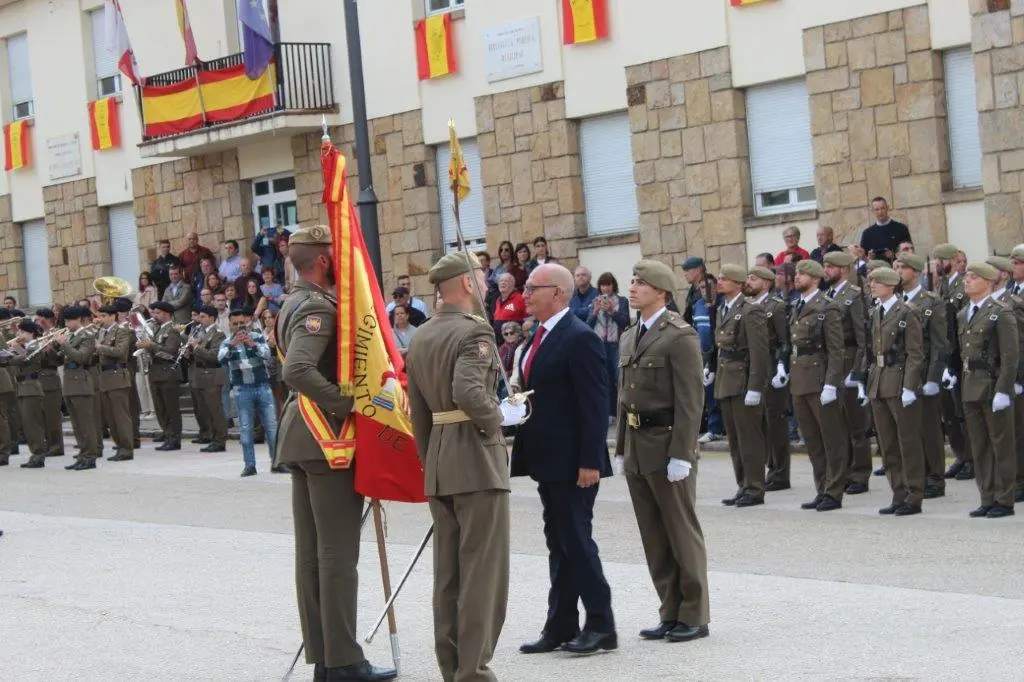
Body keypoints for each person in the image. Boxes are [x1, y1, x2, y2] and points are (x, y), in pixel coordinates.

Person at [272, 225, 397, 682]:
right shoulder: (317, 308)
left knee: (312, 553)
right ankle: (344, 660)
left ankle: (326, 660)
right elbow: (298, 369)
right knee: (337, 554)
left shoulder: (292, 300)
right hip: (327, 439)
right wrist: (349, 404)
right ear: (324, 260)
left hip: (302, 435)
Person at [405, 251, 513, 682]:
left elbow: (419, 416)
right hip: (476, 458)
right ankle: (474, 672)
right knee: (482, 573)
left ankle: (452, 669)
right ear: (467, 284)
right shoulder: (475, 331)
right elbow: (469, 391)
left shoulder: (423, 335)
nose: (486, 285)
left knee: (448, 576)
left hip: (440, 461)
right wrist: (501, 417)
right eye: (482, 278)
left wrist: (430, 461)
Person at [510, 263, 616, 656]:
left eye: (533, 288)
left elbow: (594, 404)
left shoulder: (579, 337)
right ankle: (561, 624)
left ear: (557, 293)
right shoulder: (539, 335)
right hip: (548, 459)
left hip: (575, 462)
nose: (526, 294)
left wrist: (590, 460)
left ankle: (602, 624)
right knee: (560, 542)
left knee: (576, 541)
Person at [614, 259, 710, 644]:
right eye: (633, 281)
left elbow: (691, 400)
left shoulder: (679, 336)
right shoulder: (629, 335)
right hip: (638, 446)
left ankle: (694, 614)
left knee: (681, 531)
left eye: (641, 282)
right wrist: (621, 447)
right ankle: (669, 609)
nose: (633, 287)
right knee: (653, 534)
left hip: (668, 444)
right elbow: (624, 399)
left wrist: (683, 454)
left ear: (661, 292)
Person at [954, 262, 1017, 518]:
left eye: (973, 277)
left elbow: (1010, 356)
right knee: (979, 446)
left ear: (989, 283)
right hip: (970, 385)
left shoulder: (1000, 312)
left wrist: (1004, 389)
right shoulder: (963, 313)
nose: (967, 281)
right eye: (966, 276)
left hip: (992, 386)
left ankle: (1004, 499)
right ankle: (987, 496)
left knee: (1001, 445)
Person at [866, 266, 926, 516]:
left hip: (899, 381)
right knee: (887, 443)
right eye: (870, 282)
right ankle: (898, 493)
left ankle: (914, 495)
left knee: (907, 441)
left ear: (890, 285)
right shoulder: (876, 311)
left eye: (876, 282)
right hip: (879, 382)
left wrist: (910, 386)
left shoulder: (906, 312)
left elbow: (915, 354)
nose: (872, 285)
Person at [789, 260, 848, 511]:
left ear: (815, 278)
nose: (796, 277)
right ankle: (821, 487)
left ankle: (834, 491)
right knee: (812, 439)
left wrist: (832, 384)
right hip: (800, 379)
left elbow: (837, 350)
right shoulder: (797, 305)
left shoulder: (827, 307)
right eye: (796, 273)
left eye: (802, 274)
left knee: (831, 438)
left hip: (820, 378)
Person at [709, 264, 769, 507]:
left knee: (749, 438)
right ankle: (743, 484)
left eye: (724, 279)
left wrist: (756, 386)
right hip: (727, 379)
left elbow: (759, 352)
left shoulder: (750, 310)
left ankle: (755, 488)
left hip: (743, 381)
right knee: (734, 439)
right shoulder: (724, 309)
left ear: (737, 283)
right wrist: (710, 368)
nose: (719, 282)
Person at [897, 253, 948, 499]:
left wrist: (933, 378)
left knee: (929, 428)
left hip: (925, 370)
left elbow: (939, 344)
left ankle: (936, 477)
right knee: (909, 430)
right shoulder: (895, 301)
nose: (898, 271)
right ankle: (916, 476)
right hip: (901, 373)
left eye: (903, 268)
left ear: (915, 272)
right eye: (896, 267)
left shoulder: (932, 302)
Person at [822, 252, 871, 494]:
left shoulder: (853, 296)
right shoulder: (827, 296)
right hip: (833, 364)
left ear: (843, 270)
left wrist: (858, 371)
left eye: (830, 267)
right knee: (839, 425)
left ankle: (860, 474)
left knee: (856, 425)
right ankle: (845, 472)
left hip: (850, 360)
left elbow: (863, 339)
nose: (826, 271)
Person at [219, 309, 282, 477]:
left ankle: (276, 463)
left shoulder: (257, 336)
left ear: (246, 322)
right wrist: (233, 346)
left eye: (242, 323)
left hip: (262, 387)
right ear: (230, 325)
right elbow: (221, 359)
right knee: (246, 429)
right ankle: (249, 465)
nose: (240, 327)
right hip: (242, 390)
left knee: (272, 427)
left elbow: (267, 355)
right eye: (235, 324)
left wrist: (252, 345)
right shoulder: (226, 342)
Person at [745, 265, 792, 491]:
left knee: (776, 423)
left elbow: (784, 340)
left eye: (753, 279)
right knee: (762, 423)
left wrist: (782, 366)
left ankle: (780, 473)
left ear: (766, 283)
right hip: (758, 369)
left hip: (773, 368)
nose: (749, 282)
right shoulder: (751, 306)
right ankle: (770, 468)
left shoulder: (777, 306)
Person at [933, 243, 972, 480]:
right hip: (942, 352)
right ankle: (961, 454)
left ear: (953, 260)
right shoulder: (941, 286)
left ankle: (972, 458)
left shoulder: (962, 285)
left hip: (956, 352)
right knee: (948, 411)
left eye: (941, 260)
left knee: (961, 411)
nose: (938, 264)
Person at [681, 257, 724, 443]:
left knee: (719, 393)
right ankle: (711, 426)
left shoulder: (720, 303)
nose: (704, 291)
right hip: (701, 354)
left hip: (718, 353)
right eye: (701, 288)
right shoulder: (696, 301)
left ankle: (719, 427)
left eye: (688, 271)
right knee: (706, 392)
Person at [54, 306, 99, 470]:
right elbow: (59, 360)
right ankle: (82, 454)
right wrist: (51, 348)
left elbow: (80, 357)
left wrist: (64, 344)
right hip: (70, 383)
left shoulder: (87, 337)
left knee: (85, 423)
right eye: (65, 320)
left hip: (81, 381)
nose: (66, 323)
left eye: (69, 320)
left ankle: (90, 456)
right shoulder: (70, 337)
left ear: (78, 320)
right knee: (76, 424)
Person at [138, 301, 184, 451]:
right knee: (160, 408)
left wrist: (150, 345)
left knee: (171, 409)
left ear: (166, 314)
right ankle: (167, 434)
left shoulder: (173, 330)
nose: (154, 316)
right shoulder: (157, 329)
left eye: (157, 313)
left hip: (168, 373)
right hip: (156, 373)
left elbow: (170, 352)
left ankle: (174, 439)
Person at [93, 305, 135, 462]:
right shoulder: (102, 332)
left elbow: (120, 352)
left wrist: (100, 347)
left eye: (104, 316)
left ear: (113, 317)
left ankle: (126, 448)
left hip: (117, 375)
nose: (100, 319)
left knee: (120, 415)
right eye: (100, 316)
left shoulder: (121, 331)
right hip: (104, 377)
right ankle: (119, 446)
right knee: (110, 417)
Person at [587, 272, 630, 419]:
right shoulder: (594, 301)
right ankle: (609, 412)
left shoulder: (622, 301)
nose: (606, 288)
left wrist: (612, 311)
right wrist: (595, 311)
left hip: (616, 344)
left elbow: (625, 322)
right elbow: (588, 325)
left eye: (609, 284)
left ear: (613, 286)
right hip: (599, 344)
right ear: (599, 286)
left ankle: (622, 411)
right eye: (603, 285)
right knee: (604, 379)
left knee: (619, 378)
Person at [7, 320, 46, 469]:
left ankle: (39, 454)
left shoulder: (36, 345)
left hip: (31, 387)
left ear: (30, 333)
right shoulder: (26, 346)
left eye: (22, 332)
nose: (19, 335)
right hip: (22, 387)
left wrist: (15, 349)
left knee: (33, 424)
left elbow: (25, 360)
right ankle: (34, 453)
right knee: (27, 424)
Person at [191, 306, 228, 453]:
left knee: (215, 410)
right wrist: (188, 350)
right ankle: (212, 437)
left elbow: (215, 355)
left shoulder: (218, 334)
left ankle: (220, 440)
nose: (200, 319)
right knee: (205, 410)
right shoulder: (201, 333)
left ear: (212, 318)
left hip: (212, 374)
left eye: (203, 316)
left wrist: (196, 348)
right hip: (201, 374)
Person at [34, 308, 64, 458]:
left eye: (39, 319)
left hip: (50, 376)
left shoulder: (58, 333)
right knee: (43, 414)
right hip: (39, 377)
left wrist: (49, 349)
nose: (36, 322)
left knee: (52, 415)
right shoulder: (40, 335)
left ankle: (56, 445)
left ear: (48, 319)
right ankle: (48, 443)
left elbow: (59, 359)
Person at [859, 197, 911, 262]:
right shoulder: (867, 233)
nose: (880, 212)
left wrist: (893, 256)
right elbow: (862, 262)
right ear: (872, 211)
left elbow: (910, 254)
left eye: (882, 208)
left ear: (887, 208)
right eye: (877, 209)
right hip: (874, 271)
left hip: (897, 270)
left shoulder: (901, 228)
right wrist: (867, 258)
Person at [491, 273, 527, 340]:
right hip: (498, 342)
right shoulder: (498, 300)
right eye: (501, 281)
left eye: (506, 281)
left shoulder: (520, 299)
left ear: (512, 284)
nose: (503, 283)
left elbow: (529, 319)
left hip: (512, 342)